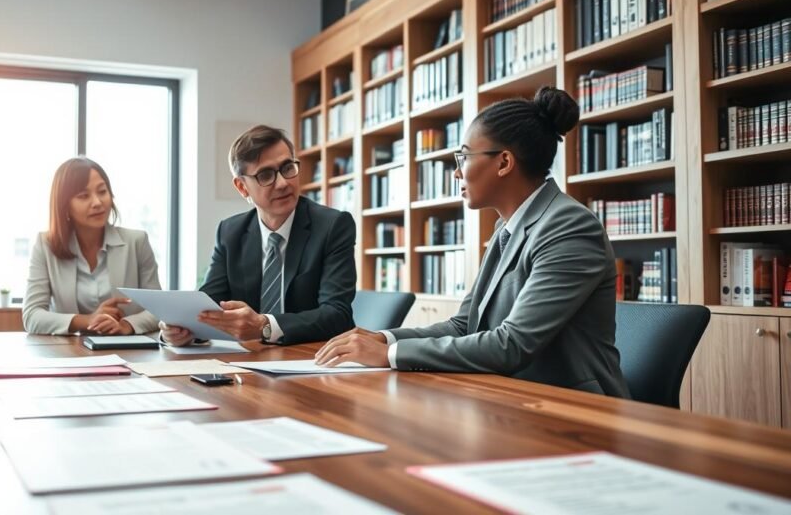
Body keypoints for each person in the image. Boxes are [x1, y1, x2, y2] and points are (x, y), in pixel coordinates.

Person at [316, 87, 630, 398]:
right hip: (511, 398)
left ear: (504, 162)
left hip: (574, 408)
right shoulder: (505, 228)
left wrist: (390, 355)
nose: (456, 172)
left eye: (464, 156)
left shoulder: (570, 226)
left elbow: (513, 344)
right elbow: (464, 325)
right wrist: (383, 339)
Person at [161, 125, 356, 346]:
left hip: (313, 358)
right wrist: (179, 331)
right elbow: (208, 307)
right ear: (242, 187)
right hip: (251, 360)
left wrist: (265, 325)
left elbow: (337, 315)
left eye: (287, 168)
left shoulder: (332, 226)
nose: (283, 183)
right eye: (266, 175)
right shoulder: (230, 232)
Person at [22, 157, 161, 335]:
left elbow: (158, 310)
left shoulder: (137, 242)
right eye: (84, 196)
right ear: (64, 205)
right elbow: (32, 316)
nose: (97, 202)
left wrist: (126, 325)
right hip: (70, 353)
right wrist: (87, 320)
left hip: (130, 351)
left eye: (102, 191)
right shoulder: (46, 245)